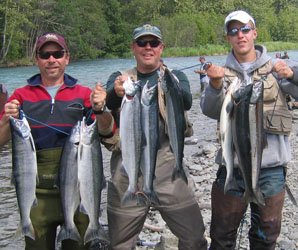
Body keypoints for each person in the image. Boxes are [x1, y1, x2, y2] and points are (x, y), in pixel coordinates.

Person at [0, 33, 114, 250]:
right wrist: (7, 117)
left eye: (57, 54)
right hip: (37, 195)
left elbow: (108, 131)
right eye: (45, 54)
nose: (51, 59)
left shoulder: (84, 94)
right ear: (37, 59)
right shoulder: (21, 96)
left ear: (66, 58)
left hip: (79, 191)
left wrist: (100, 108)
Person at [200, 10, 298, 249]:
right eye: (233, 31)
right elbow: (209, 110)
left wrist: (293, 75)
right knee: (221, 237)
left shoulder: (278, 67)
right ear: (228, 38)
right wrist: (214, 85)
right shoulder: (217, 73)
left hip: (272, 171)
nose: (240, 35)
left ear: (254, 33)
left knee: (266, 238)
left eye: (244, 29)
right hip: (231, 170)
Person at [104, 24, 207, 250]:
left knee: (194, 238)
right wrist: (115, 92)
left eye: (153, 43)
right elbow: (107, 101)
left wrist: (172, 84)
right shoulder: (120, 78)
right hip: (127, 167)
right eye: (142, 43)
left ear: (161, 48)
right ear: (133, 47)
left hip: (168, 165)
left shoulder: (175, 76)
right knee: (119, 244)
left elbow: (187, 100)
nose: (147, 47)